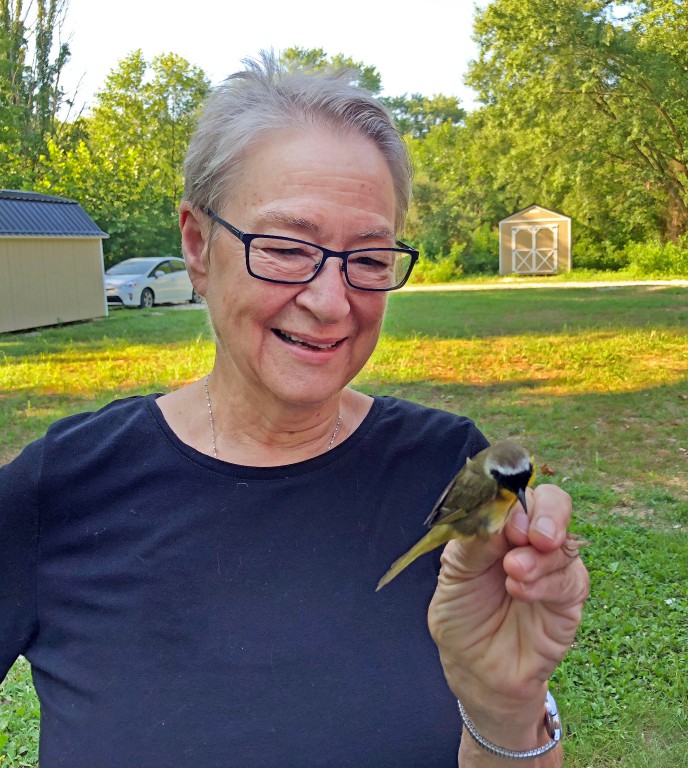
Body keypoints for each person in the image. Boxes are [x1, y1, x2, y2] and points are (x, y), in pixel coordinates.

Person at [0, 53, 589, 767]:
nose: (331, 301)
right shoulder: (61, 484)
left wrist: (505, 707)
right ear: (197, 245)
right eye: (284, 248)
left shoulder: (448, 470)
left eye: (368, 259)